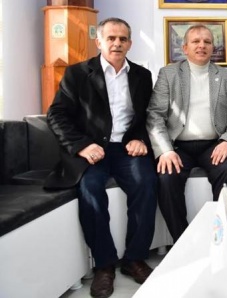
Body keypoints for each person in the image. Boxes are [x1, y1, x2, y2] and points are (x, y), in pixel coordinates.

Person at [45, 18, 157, 298]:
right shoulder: (77, 73)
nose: (117, 43)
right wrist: (82, 146)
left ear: (130, 43)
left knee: (146, 183)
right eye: (111, 38)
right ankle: (104, 265)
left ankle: (134, 258)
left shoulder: (142, 75)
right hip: (92, 149)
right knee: (91, 189)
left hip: (126, 149)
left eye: (123, 39)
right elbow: (56, 115)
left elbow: (147, 116)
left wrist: (140, 139)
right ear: (99, 42)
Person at [146, 24, 227, 242]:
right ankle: (182, 240)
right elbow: (155, 115)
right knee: (167, 178)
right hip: (177, 146)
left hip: (214, 144)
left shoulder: (226, 77)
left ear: (213, 48)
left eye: (207, 42)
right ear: (185, 48)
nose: (202, 46)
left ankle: (223, 238)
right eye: (196, 42)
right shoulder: (168, 74)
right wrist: (165, 150)